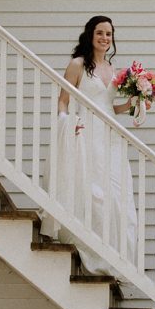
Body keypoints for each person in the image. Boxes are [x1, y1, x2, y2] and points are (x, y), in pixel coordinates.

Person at [51, 15, 138, 270]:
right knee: (94, 191)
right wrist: (67, 121)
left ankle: (113, 255)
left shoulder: (113, 69)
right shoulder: (78, 64)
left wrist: (130, 105)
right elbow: (63, 100)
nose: (104, 38)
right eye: (100, 33)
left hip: (111, 134)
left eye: (108, 34)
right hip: (88, 131)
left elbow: (109, 106)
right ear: (91, 35)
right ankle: (91, 250)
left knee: (116, 194)